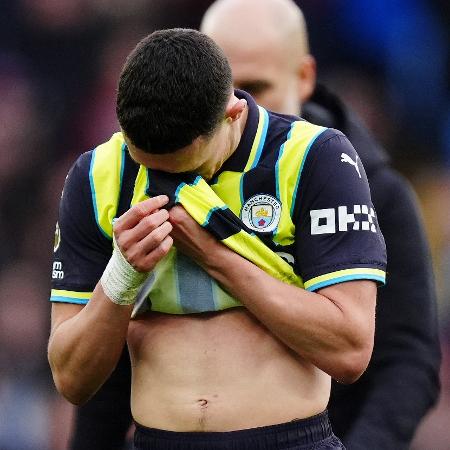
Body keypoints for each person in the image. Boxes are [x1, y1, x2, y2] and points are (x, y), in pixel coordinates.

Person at [48, 28, 387, 450]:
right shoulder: (97, 175)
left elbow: (350, 349)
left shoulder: (314, 157)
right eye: (145, 162)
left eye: (184, 164)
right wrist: (123, 272)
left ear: (232, 112)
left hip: (289, 441)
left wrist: (215, 255)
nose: (165, 181)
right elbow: (71, 378)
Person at [200, 0, 441, 448]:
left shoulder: (380, 194)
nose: (235, 111)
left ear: (305, 78)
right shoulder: (166, 185)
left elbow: (407, 362)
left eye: (255, 88)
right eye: (219, 92)